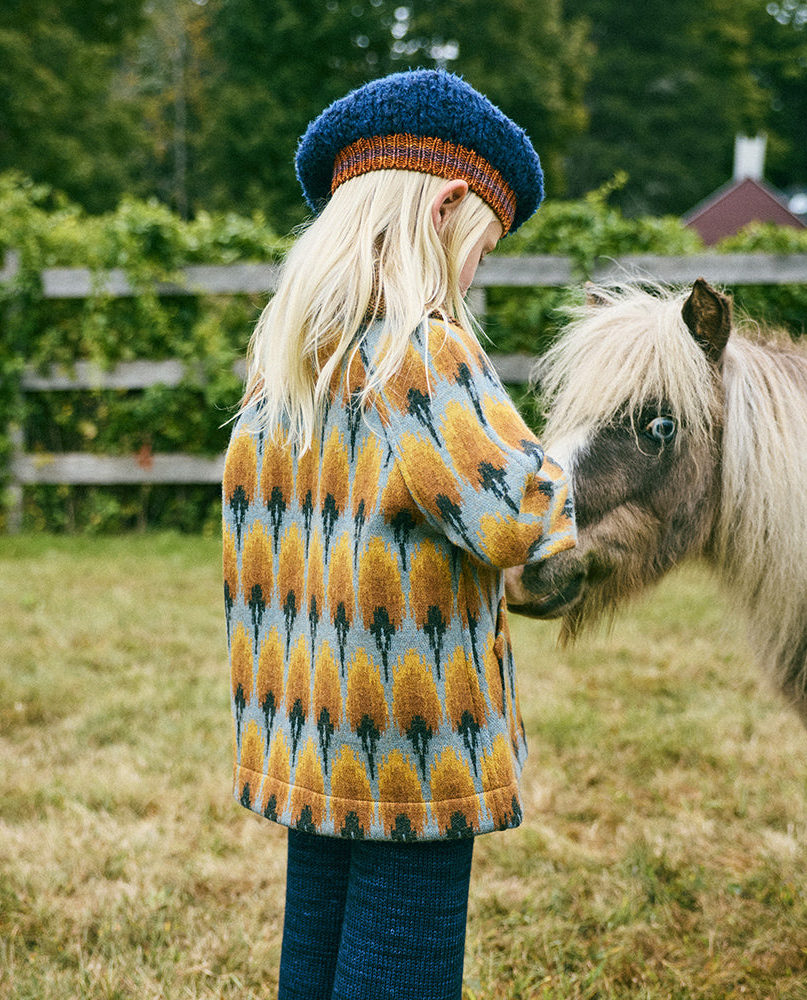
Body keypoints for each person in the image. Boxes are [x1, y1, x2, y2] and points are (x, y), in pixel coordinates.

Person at [221, 68, 576, 1000]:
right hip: (413, 748)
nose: (476, 277)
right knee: (403, 967)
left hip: (314, 735)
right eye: (483, 252)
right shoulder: (423, 351)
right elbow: (511, 513)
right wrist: (562, 480)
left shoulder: (282, 374)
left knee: (318, 956)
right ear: (448, 207)